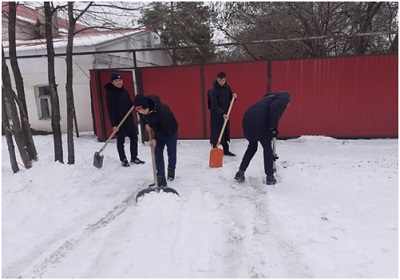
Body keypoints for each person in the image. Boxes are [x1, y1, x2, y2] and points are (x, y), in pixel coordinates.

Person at [234, 91, 291, 185]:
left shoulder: (266, 100)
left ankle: (240, 172)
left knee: (252, 147)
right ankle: (270, 177)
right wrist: (273, 128)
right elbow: (274, 108)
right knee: (267, 148)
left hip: (247, 121)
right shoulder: (285, 96)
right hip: (259, 124)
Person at [133, 94, 178, 187]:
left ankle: (171, 169)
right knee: (157, 153)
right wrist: (146, 124)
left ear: (148, 106)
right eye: (139, 111)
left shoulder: (163, 110)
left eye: (144, 110)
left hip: (170, 132)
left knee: (172, 153)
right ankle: (160, 178)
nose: (142, 113)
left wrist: (155, 139)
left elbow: (166, 128)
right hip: (158, 132)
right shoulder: (141, 110)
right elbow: (143, 118)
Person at [105, 73, 145, 167]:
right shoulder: (110, 94)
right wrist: (114, 124)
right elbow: (111, 110)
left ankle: (134, 157)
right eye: (116, 81)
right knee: (120, 140)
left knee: (134, 138)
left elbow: (131, 105)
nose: (119, 82)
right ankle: (123, 159)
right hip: (119, 121)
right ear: (112, 82)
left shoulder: (125, 91)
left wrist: (139, 109)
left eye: (120, 80)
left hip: (128, 119)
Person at [208, 72, 238, 156]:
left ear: (226, 79)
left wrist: (234, 97)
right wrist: (222, 113)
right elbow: (214, 104)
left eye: (223, 80)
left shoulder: (227, 88)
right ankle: (215, 149)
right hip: (216, 115)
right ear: (217, 79)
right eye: (220, 80)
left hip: (226, 114)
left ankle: (226, 150)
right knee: (217, 132)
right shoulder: (213, 91)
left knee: (225, 131)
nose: (221, 82)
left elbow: (230, 98)